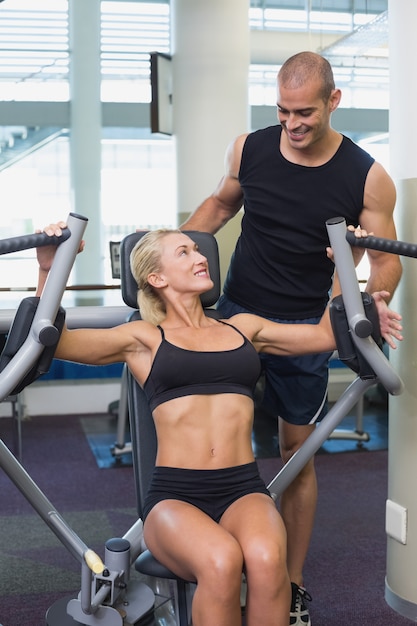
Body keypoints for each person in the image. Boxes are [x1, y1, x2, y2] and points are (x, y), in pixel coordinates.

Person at [36, 223, 401, 626]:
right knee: (222, 560)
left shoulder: (243, 327)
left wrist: (346, 269)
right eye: (184, 253)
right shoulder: (143, 337)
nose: (200, 257)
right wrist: (50, 269)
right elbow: (56, 338)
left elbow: (325, 335)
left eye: (197, 249)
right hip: (175, 497)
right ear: (156, 277)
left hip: (243, 488)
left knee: (266, 560)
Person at [179, 50, 403, 625]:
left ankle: (292, 586)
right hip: (235, 313)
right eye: (283, 112)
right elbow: (221, 204)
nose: (293, 125)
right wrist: (163, 251)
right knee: (220, 446)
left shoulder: (366, 175)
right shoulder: (250, 148)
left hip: (306, 327)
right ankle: (219, 563)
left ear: (333, 101)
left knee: (295, 456)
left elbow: (384, 258)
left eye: (305, 113)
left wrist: (373, 293)